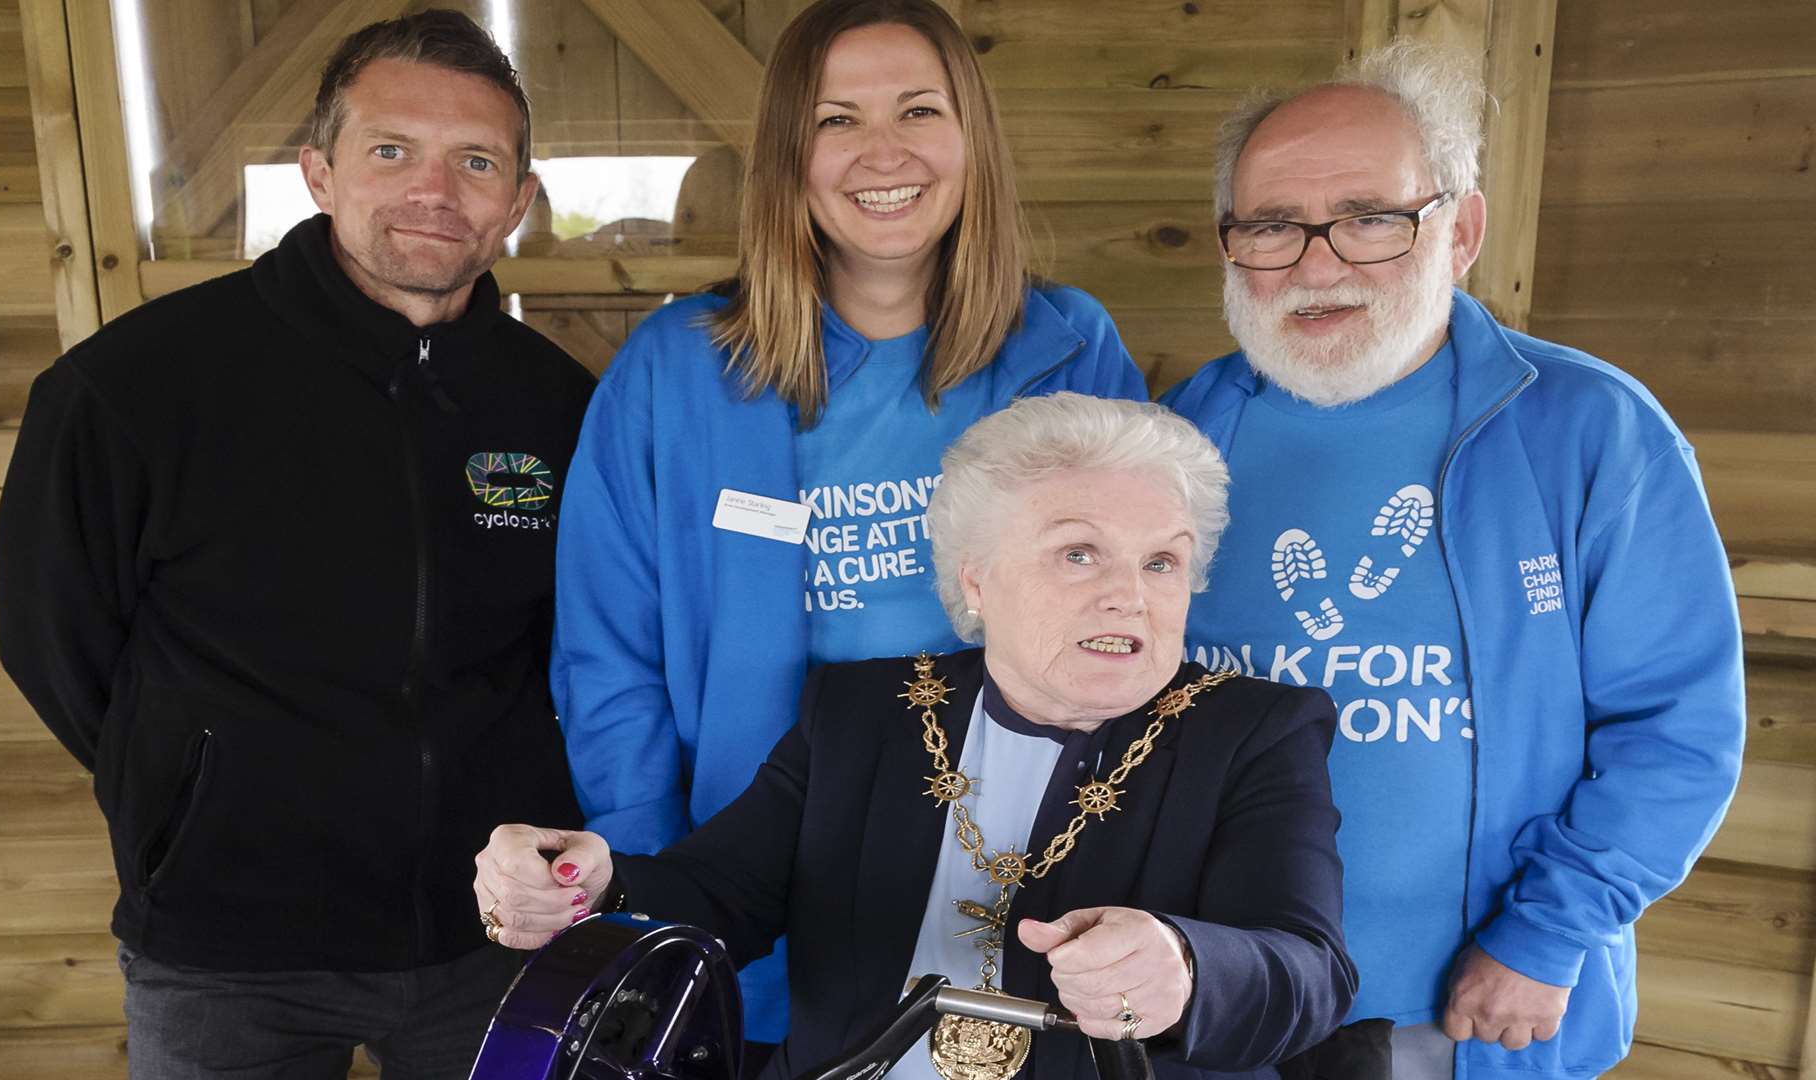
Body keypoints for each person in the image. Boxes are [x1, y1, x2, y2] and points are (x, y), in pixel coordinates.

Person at [0, 11, 592, 1078]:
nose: (434, 191)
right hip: (229, 955)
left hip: (490, 941)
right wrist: (190, 797)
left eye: (477, 161)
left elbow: (582, 646)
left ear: (519, 202)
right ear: (319, 172)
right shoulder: (137, 387)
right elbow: (56, 644)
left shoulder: (558, 406)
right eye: (391, 150)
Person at [551, 0, 1148, 1055]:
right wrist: (659, 885)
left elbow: (1129, 617)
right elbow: (609, 658)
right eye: (837, 120)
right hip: (756, 884)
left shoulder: (1068, 349)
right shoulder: (677, 369)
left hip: (1015, 885)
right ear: (790, 153)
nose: (884, 153)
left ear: (972, 140)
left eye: (920, 110)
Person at [1159, 41, 1745, 1080]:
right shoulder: (1167, 442)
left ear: (1461, 230)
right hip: (1215, 1009)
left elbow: (1678, 729)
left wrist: (1548, 935)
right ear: (1230, 245)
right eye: (1273, 226)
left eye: (1371, 218)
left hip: (1470, 1022)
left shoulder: (1590, 433)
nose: (1318, 262)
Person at [482, 393, 1354, 1080]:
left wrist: (1188, 966)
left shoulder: (1256, 732)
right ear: (975, 581)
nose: (1130, 594)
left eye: (1161, 561)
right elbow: (722, 892)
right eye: (1078, 553)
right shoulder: (865, 711)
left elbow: (1309, 973)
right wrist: (593, 880)